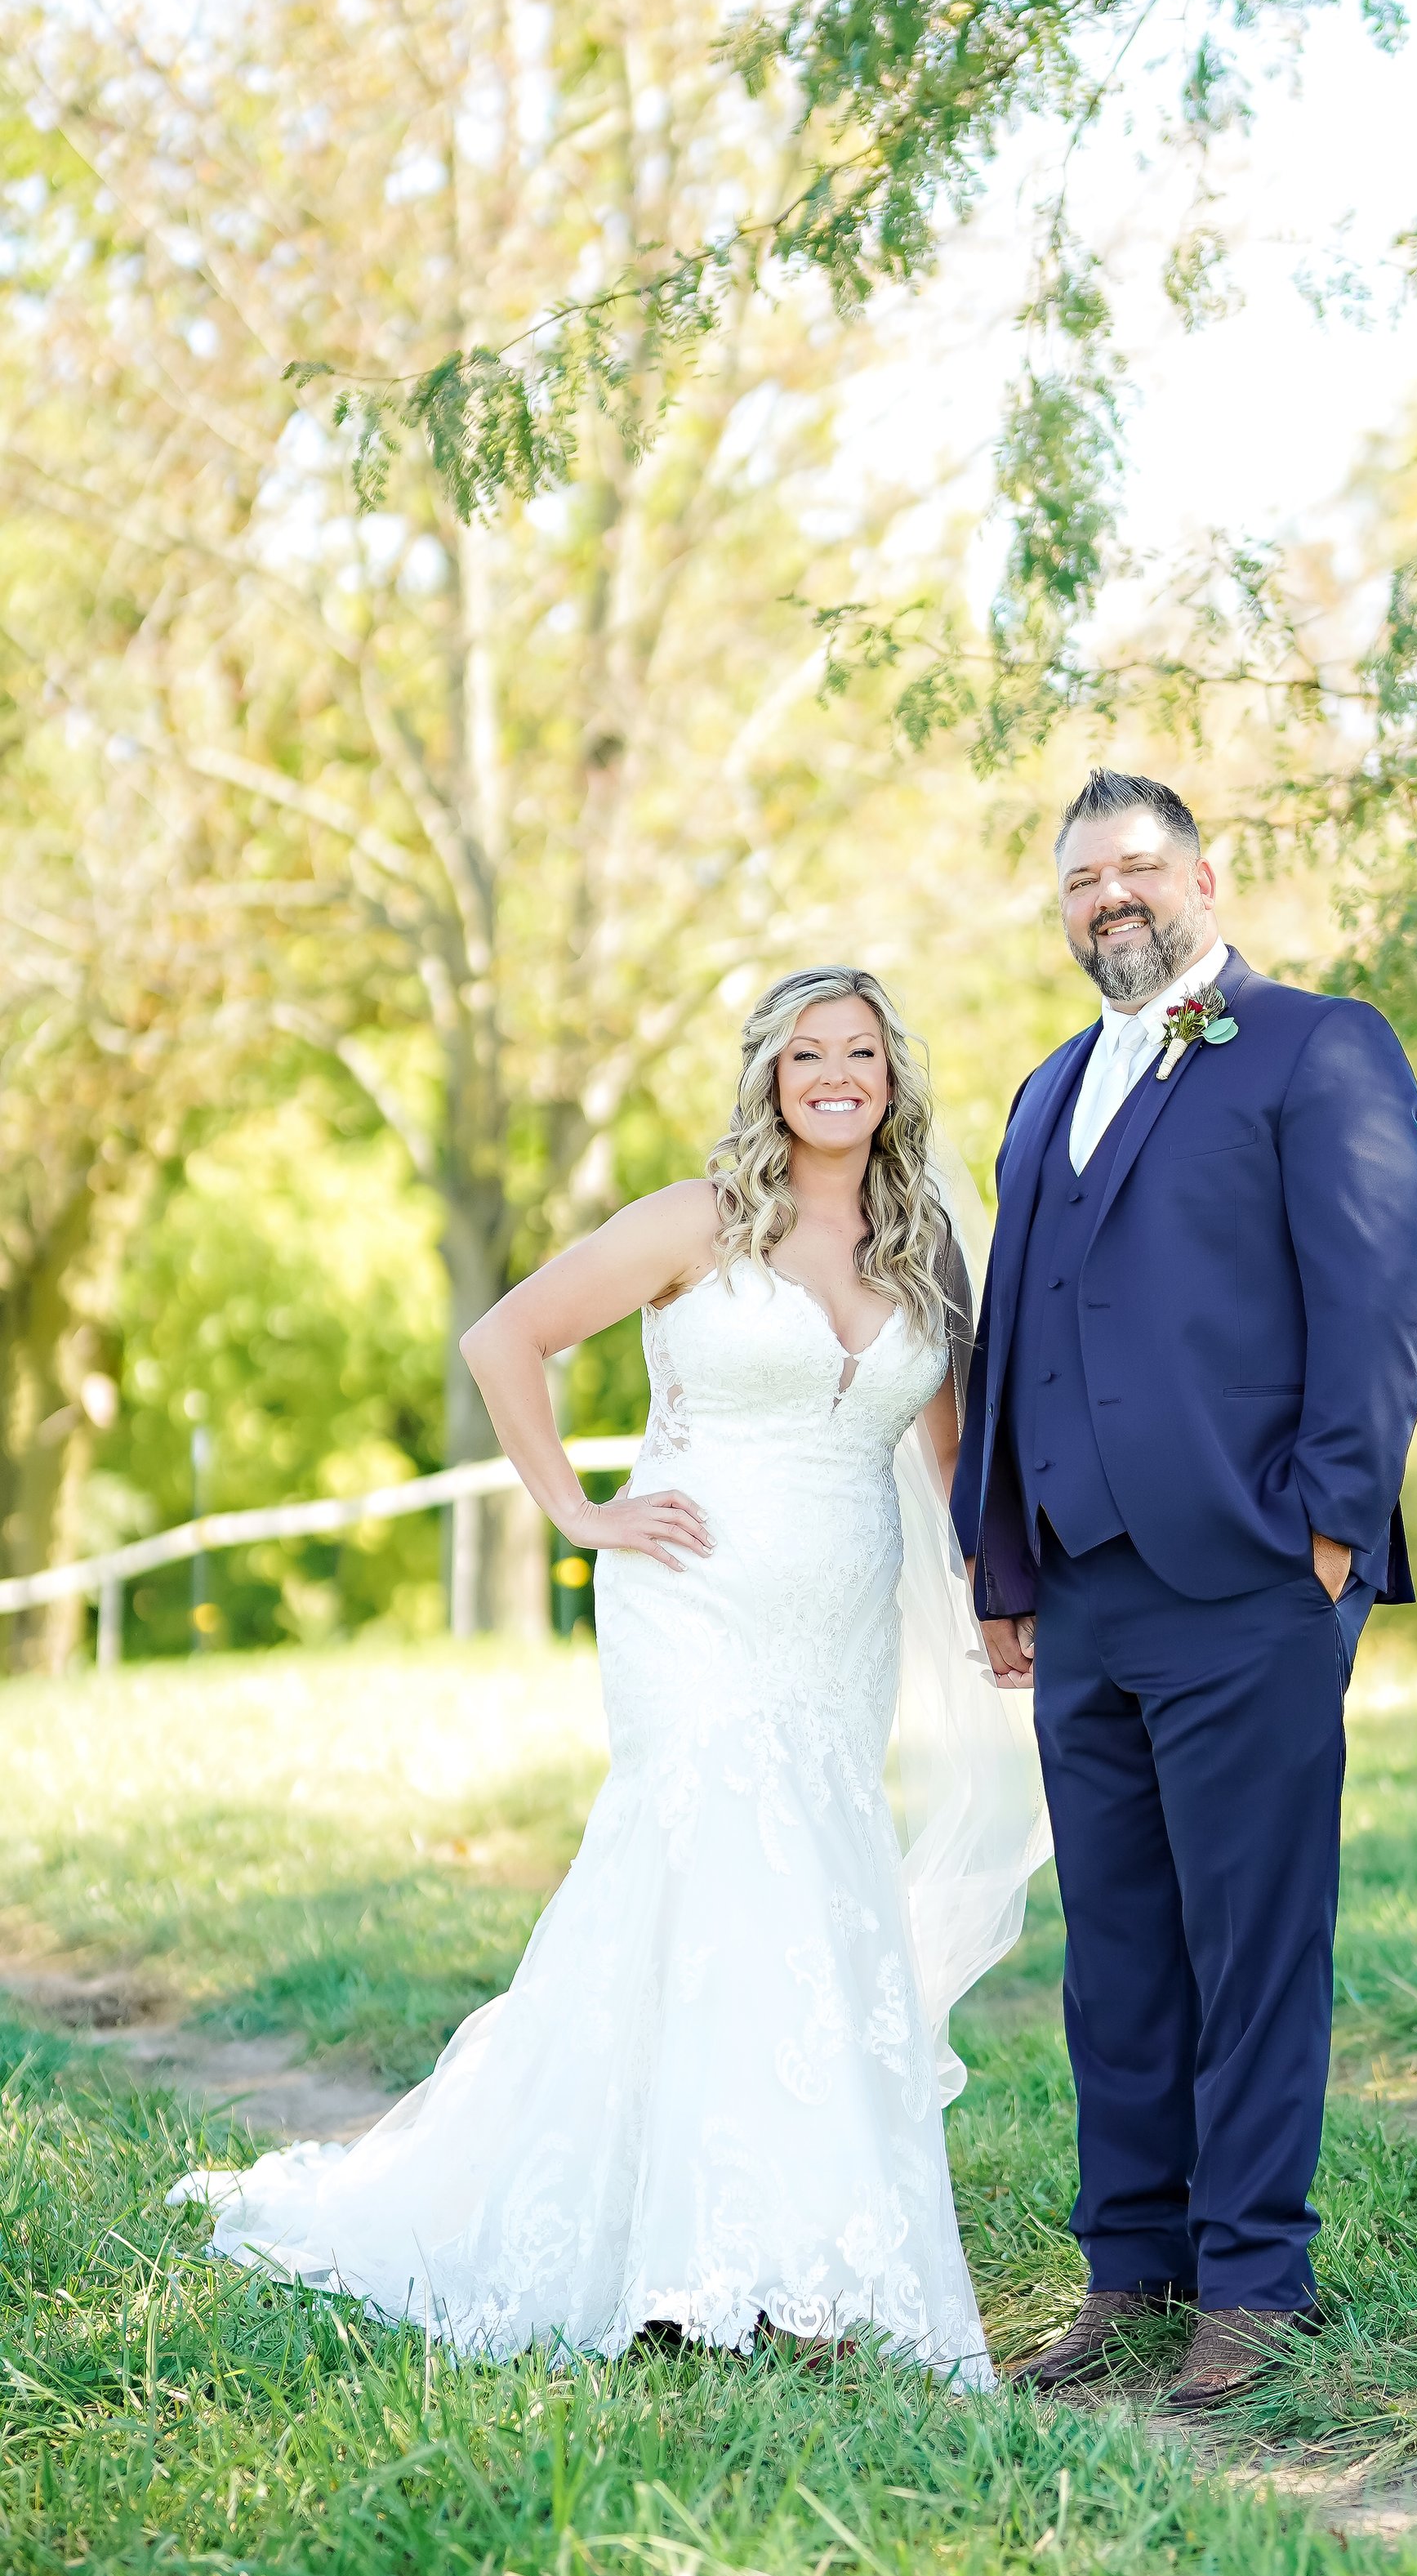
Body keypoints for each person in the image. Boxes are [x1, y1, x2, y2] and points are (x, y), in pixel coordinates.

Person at [172, 970, 1045, 2382]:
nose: (835, 1075)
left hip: (838, 1632)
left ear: (893, 1078)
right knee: (708, 1867)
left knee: (811, 1891)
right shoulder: (699, 1217)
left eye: (861, 1054)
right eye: (806, 1052)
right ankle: (678, 2257)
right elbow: (502, 1336)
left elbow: (949, 1457)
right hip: (689, 1607)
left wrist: (997, 1598)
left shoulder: (923, 1240)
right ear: (769, 1075)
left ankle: (804, 2247)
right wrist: (581, 1512)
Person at [952, 769, 1417, 2409]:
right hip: (1080, 1587)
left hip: (1249, 1575)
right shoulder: (1039, 1094)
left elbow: (1375, 1299)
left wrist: (1327, 1533)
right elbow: (1012, 1336)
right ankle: (1128, 2268)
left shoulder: (1315, 1046)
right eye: (1080, 877)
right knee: (1118, 1951)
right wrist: (1000, 1555)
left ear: (1205, 878)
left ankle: (1255, 2279)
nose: (1109, 897)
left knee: (1251, 1939)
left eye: (1136, 867)